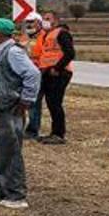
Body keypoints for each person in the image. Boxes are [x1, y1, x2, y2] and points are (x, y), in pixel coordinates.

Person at [0, 18, 40, 210]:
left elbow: (33, 74)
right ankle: (1, 189)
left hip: (8, 108)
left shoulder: (13, 52)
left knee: (10, 151)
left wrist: (26, 100)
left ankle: (16, 194)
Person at [34, 10, 75, 144]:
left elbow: (70, 53)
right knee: (51, 103)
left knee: (55, 103)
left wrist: (57, 68)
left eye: (47, 18)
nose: (44, 20)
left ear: (55, 20)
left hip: (59, 73)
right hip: (48, 72)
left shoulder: (61, 33)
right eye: (43, 18)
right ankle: (54, 132)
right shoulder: (47, 34)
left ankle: (58, 134)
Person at [18, 13, 46, 139]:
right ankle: (21, 126)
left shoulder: (44, 36)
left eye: (32, 21)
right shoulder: (24, 37)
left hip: (37, 72)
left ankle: (32, 130)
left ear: (39, 23)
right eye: (27, 22)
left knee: (34, 102)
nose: (29, 24)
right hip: (22, 73)